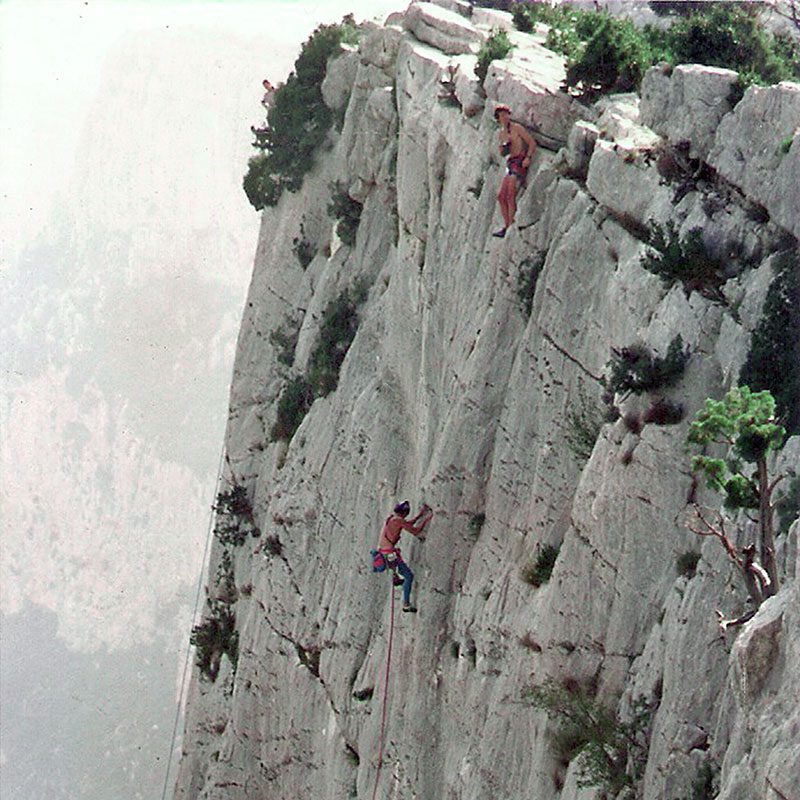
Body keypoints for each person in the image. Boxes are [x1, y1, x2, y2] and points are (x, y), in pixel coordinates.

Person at [376, 501, 433, 613]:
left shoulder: (392, 519)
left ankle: (397, 578)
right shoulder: (398, 521)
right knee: (409, 576)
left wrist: (420, 515)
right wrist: (427, 519)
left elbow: (407, 524)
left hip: (384, 553)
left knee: (405, 576)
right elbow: (415, 531)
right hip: (389, 553)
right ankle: (406, 604)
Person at [492, 104, 536, 239]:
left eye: (506, 114)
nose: (505, 117)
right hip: (511, 162)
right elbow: (502, 153)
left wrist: (528, 157)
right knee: (501, 196)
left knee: (510, 193)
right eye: (502, 115)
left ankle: (510, 224)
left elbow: (531, 143)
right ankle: (506, 224)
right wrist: (504, 147)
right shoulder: (501, 134)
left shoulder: (517, 128)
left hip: (519, 161)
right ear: (498, 118)